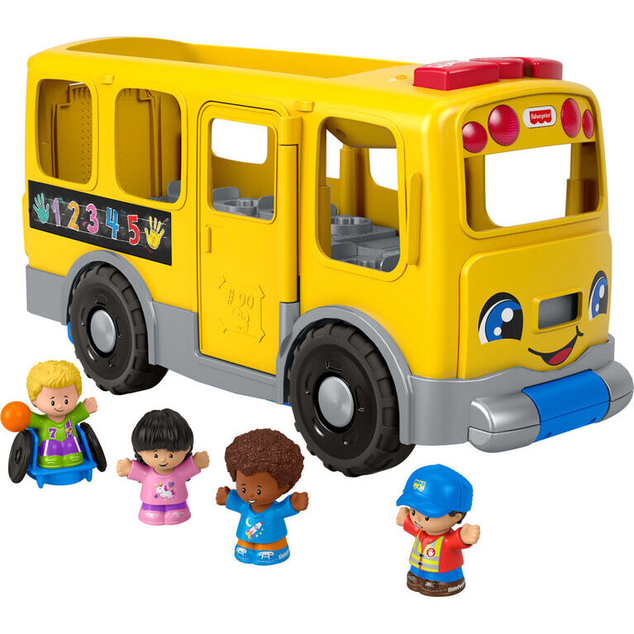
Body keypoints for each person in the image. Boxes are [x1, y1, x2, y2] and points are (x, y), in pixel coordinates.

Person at [216, 429, 308, 565]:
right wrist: (226, 497)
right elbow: (235, 501)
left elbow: (285, 508)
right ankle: (247, 549)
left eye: (258, 491)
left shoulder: (274, 510)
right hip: (244, 540)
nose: (250, 494)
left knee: (270, 547)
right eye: (243, 488)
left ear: (284, 486)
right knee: (243, 547)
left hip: (273, 542)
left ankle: (269, 550)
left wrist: (294, 504)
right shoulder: (244, 506)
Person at [396, 464, 481, 597]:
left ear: (456, 517)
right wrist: (405, 519)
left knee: (437, 579)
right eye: (413, 511)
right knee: (415, 575)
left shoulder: (446, 540)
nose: (417, 518)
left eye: (427, 516)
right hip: (416, 569)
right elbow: (411, 526)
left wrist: (464, 536)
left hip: (444, 576)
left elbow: (457, 539)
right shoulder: (420, 531)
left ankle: (437, 580)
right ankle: (417, 576)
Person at [116, 408, 209, 526]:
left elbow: (194, 465)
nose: (163, 459)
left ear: (187, 449)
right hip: (150, 506)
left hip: (179, 505)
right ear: (139, 451)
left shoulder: (181, 471)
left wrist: (197, 462)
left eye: (170, 455)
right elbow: (132, 470)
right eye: (155, 455)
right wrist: (127, 468)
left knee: (176, 513)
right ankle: (153, 511)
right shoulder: (145, 472)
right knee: (152, 514)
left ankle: (175, 511)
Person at [24, 360, 97, 469]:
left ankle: (73, 455)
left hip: (72, 448)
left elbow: (83, 410)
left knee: (71, 442)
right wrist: (19, 416)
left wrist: (87, 407)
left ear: (77, 395)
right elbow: (25, 418)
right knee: (50, 444)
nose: (59, 406)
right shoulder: (41, 421)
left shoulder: (72, 417)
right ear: (33, 400)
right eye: (52, 402)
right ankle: (50, 458)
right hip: (48, 451)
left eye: (66, 401)